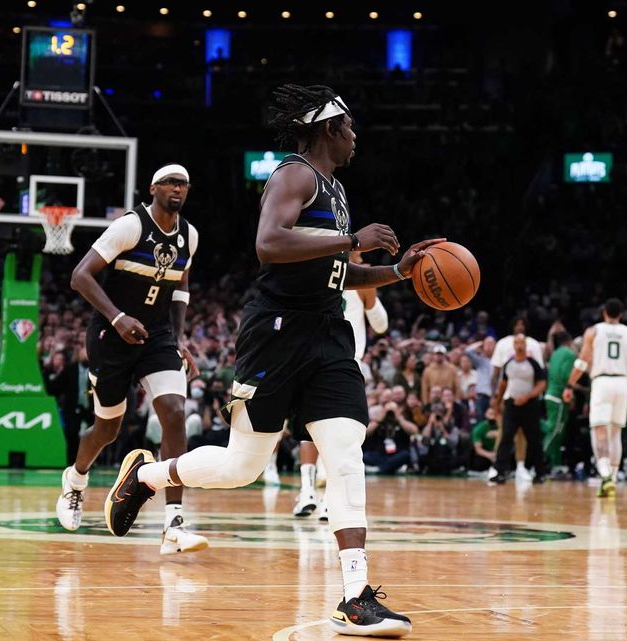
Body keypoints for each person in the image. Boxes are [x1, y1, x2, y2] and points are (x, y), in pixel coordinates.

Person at [104, 85, 439, 636]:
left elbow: (337, 273)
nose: (356, 137)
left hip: (328, 332)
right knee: (243, 467)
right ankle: (148, 474)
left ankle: (355, 595)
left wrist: (397, 273)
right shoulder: (296, 175)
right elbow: (269, 244)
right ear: (330, 129)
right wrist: (353, 238)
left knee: (345, 455)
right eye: (350, 127)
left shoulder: (336, 188)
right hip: (277, 332)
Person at [55, 163, 206, 556]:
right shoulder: (130, 226)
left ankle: (173, 522)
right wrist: (118, 317)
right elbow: (80, 275)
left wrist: (179, 337)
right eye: (171, 182)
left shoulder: (189, 236)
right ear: (154, 187)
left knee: (174, 411)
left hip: (157, 336)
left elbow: (181, 287)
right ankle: (75, 480)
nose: (178, 189)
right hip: (112, 334)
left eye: (184, 184)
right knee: (107, 430)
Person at [290, 250, 388, 521]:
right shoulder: (364, 278)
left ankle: (308, 491)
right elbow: (381, 325)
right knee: (340, 436)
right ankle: (327, 502)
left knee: (309, 429)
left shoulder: (316, 268)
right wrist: (371, 296)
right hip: (345, 362)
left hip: (309, 357)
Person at [563, 298, 627, 497]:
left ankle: (605, 474)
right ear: (621, 315)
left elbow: (582, 361)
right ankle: (612, 479)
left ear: (603, 313)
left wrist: (570, 384)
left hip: (602, 381)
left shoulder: (594, 331)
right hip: (622, 383)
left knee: (599, 431)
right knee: (615, 433)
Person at [490, 334, 547, 484]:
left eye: (522, 343)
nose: (519, 345)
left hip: (530, 406)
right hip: (512, 404)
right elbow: (503, 383)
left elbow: (541, 384)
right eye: (517, 343)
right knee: (506, 437)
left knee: (534, 439)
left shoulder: (533, 363)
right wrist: (498, 402)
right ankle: (500, 472)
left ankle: (540, 473)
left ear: (526, 345)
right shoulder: (508, 363)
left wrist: (527, 397)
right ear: (514, 345)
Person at [543, 331, 576, 473]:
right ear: (569, 340)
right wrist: (571, 395)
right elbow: (565, 375)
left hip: (550, 394)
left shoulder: (555, 354)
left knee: (556, 431)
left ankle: (556, 465)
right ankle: (539, 461)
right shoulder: (570, 354)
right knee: (555, 431)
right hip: (559, 397)